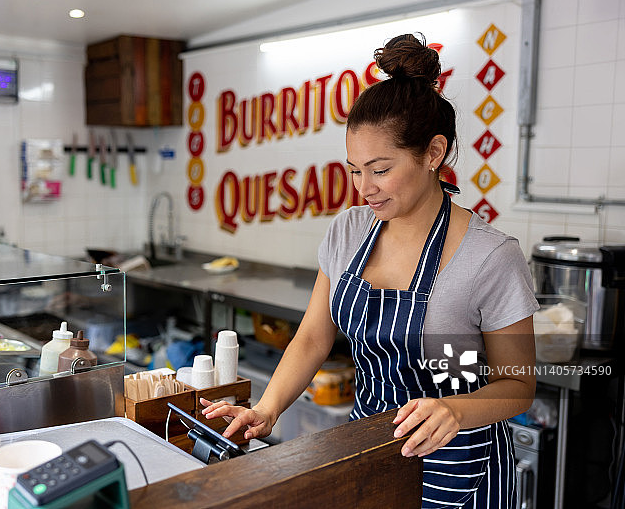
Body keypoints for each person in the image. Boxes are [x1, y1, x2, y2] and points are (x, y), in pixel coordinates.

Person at [201, 33, 538, 508]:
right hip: (368, 453)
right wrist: (267, 408)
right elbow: (313, 337)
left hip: (460, 469)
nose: (364, 188)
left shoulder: (490, 256)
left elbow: (518, 386)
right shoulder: (348, 231)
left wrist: (454, 410)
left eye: (380, 170)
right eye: (355, 170)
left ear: (433, 153)